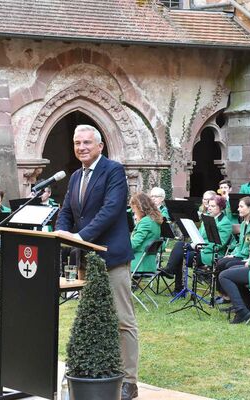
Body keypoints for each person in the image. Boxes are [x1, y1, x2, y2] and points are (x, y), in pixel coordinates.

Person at [55, 124, 139, 400]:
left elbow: (111, 210)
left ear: (100, 145)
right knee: (91, 317)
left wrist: (79, 237)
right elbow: (66, 211)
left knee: (122, 320)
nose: (81, 147)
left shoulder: (113, 170)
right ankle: (98, 370)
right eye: (77, 142)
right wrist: (63, 233)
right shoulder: (76, 176)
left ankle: (129, 381)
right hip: (86, 260)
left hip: (111, 257)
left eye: (87, 142)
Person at [160, 195, 232, 295]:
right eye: (209, 206)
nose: (209, 208)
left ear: (221, 207)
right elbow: (200, 235)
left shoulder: (224, 223)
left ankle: (177, 286)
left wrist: (199, 246)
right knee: (180, 245)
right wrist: (195, 241)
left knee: (180, 255)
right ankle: (170, 271)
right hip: (200, 248)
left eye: (213, 206)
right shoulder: (207, 218)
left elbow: (219, 244)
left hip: (210, 253)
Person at [215, 196, 250, 304]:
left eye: (241, 206)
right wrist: (233, 254)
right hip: (240, 254)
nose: (238, 209)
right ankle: (225, 294)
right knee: (221, 262)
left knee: (227, 265)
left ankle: (229, 296)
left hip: (247, 257)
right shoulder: (243, 224)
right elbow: (240, 244)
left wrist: (237, 255)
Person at [129, 193, 163, 273]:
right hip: (147, 264)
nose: (133, 211)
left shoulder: (146, 222)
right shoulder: (153, 220)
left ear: (140, 207)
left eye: (133, 208)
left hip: (138, 263)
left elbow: (134, 244)